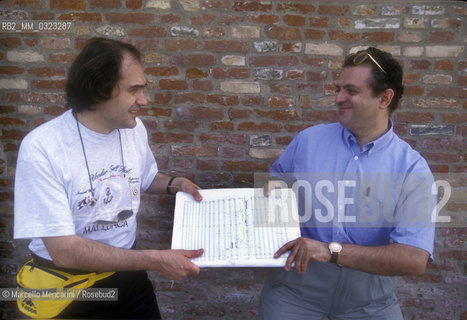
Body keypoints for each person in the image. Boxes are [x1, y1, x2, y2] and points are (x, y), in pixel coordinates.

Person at [14, 37, 204, 319]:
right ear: (99, 91)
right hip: (67, 287)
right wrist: (155, 259)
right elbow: (64, 251)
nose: (144, 100)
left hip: (128, 277)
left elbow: (144, 177)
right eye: (134, 90)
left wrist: (175, 184)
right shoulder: (43, 148)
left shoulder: (133, 128)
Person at [259, 47, 436, 319]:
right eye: (338, 89)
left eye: (351, 91)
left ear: (384, 98)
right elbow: (278, 180)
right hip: (294, 293)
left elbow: (414, 259)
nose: (338, 98)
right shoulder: (308, 141)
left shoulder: (412, 168)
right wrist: (276, 193)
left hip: (370, 302)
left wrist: (331, 251)